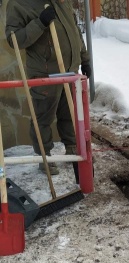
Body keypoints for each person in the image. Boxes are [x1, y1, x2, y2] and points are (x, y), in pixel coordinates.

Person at [5, 1, 91, 175]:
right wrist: (40, 23)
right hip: (45, 73)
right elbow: (15, 40)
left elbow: (75, 31)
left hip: (69, 72)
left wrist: (85, 60)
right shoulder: (19, 4)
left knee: (69, 112)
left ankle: (72, 146)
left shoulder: (61, 2)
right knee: (42, 118)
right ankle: (44, 157)